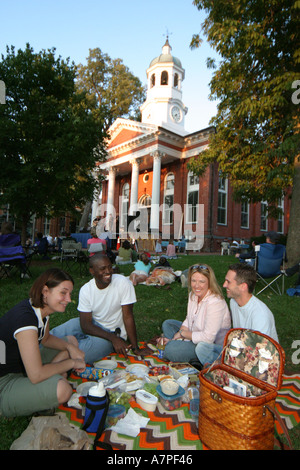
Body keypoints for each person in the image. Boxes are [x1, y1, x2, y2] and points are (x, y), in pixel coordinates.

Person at [0, 268, 86, 418]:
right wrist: (72, 363)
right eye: (63, 293)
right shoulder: (25, 320)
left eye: (69, 294)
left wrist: (69, 347)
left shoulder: (41, 311)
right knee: (63, 390)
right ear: (45, 291)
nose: (68, 299)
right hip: (5, 382)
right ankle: (43, 388)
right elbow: (36, 375)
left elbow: (46, 340)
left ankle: (51, 376)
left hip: (21, 368)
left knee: (71, 341)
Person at [51, 254, 151, 364]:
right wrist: (113, 338)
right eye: (102, 268)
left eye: (109, 266)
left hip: (111, 334)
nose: (108, 271)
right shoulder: (86, 290)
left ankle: (51, 359)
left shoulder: (123, 283)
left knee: (84, 353)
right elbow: (85, 325)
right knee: (68, 326)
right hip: (95, 327)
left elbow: (128, 316)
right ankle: (36, 346)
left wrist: (135, 348)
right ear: (92, 271)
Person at [161, 264, 231, 366]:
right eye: (194, 281)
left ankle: (194, 357)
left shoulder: (215, 302)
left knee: (169, 350)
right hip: (194, 333)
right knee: (168, 324)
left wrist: (182, 334)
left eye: (201, 282)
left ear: (209, 283)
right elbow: (189, 318)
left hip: (208, 346)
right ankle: (179, 346)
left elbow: (208, 338)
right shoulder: (193, 295)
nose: (196, 286)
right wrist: (180, 333)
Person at [223, 263, 279, 342]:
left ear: (243, 286)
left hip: (258, 352)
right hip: (240, 347)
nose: (224, 285)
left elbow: (259, 349)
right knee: (203, 348)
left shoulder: (260, 315)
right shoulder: (233, 302)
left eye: (228, 282)